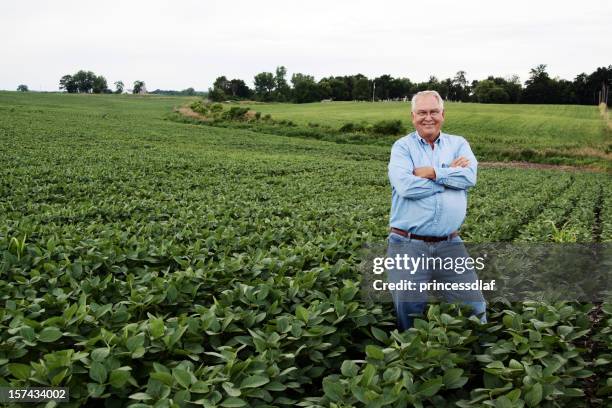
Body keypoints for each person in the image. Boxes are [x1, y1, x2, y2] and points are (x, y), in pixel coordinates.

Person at [387, 90, 486, 330]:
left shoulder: (459, 143)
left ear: (443, 114)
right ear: (413, 116)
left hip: (450, 243)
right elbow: (406, 186)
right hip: (407, 243)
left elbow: (469, 177)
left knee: (473, 305)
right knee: (409, 313)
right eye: (422, 112)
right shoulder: (402, 147)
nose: (427, 117)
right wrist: (448, 174)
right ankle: (412, 362)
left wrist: (432, 172)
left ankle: (481, 358)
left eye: (433, 112)